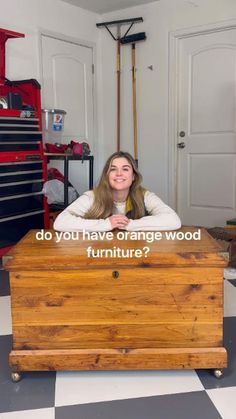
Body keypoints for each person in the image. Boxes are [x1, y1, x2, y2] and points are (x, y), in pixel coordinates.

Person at [53, 151, 181, 232]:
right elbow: (60, 222)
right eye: (113, 169)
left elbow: (173, 220)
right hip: (97, 253)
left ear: (133, 176)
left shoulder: (145, 196)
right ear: (107, 175)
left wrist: (130, 225)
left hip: (134, 253)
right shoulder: (92, 196)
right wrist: (106, 225)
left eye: (125, 169)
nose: (119, 174)